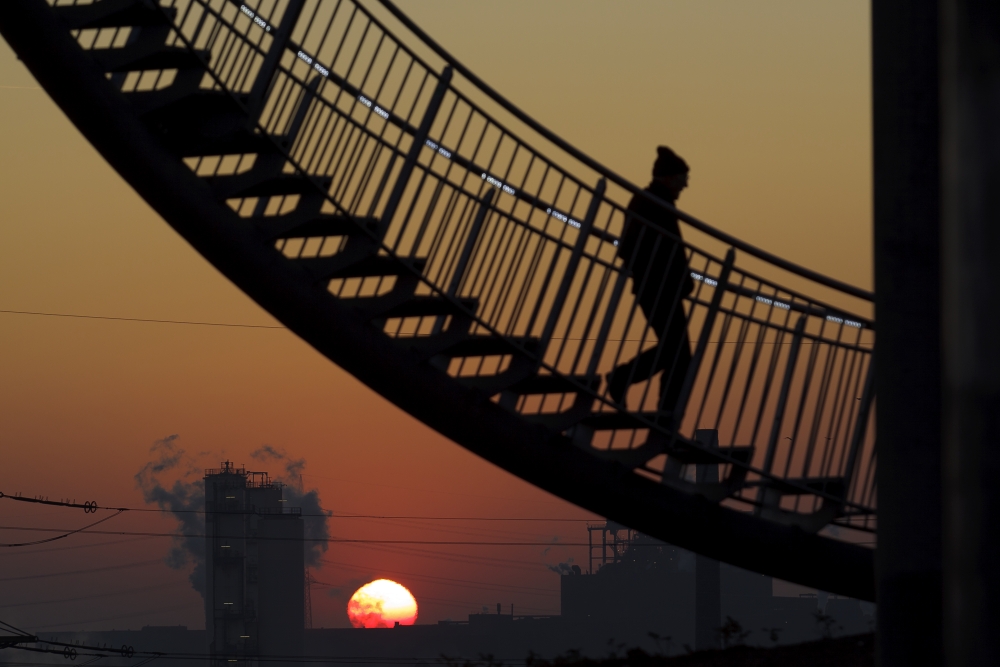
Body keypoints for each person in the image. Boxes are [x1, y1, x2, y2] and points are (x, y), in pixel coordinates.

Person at [607, 146, 694, 412]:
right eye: (682, 179)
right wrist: (675, 277)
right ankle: (626, 381)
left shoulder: (651, 202)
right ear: (669, 178)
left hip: (659, 287)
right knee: (678, 354)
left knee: (676, 352)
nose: (685, 185)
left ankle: (659, 409)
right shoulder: (654, 203)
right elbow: (638, 247)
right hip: (659, 288)